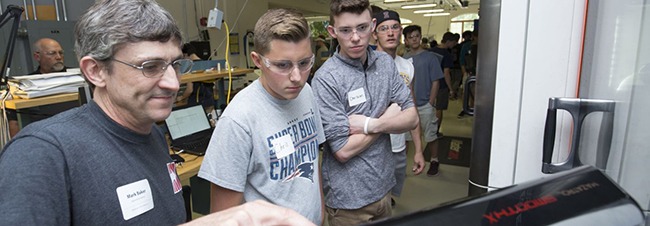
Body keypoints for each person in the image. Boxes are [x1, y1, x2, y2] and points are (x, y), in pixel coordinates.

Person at [197, 8, 325, 225]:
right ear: (257, 60)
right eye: (282, 65)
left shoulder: (306, 93)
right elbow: (221, 218)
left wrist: (320, 213)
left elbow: (312, 160)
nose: (297, 77)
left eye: (304, 63)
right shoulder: (238, 122)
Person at [311, 0, 419, 225]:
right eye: (345, 30)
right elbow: (342, 150)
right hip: (349, 200)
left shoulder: (385, 64)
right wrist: (389, 117)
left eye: (361, 28)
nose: (355, 37)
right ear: (332, 32)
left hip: (383, 187)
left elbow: (411, 116)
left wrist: (371, 125)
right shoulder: (326, 79)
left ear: (372, 26)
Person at [371, 9, 425, 206]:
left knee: (388, 196)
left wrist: (418, 149)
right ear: (374, 34)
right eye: (384, 29)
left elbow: (412, 106)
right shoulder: (365, 64)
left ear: (400, 31)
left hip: (398, 146)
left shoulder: (407, 66)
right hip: (372, 146)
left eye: (394, 28)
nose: (390, 33)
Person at [402, 24, 445, 176]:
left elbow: (436, 81)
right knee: (406, 138)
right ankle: (403, 165)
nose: (414, 39)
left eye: (416, 36)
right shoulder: (403, 59)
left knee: (430, 135)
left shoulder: (430, 57)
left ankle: (434, 160)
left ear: (420, 37)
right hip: (408, 106)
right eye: (410, 37)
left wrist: (430, 102)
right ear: (406, 40)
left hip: (425, 104)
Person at [429, 32, 459, 135]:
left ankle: (427, 130)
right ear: (448, 42)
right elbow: (446, 73)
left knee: (429, 107)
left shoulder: (430, 51)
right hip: (441, 85)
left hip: (429, 84)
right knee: (439, 108)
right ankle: (436, 131)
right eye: (454, 43)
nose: (454, 45)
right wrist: (451, 89)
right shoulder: (446, 54)